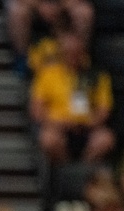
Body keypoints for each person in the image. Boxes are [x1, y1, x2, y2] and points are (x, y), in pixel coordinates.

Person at [29, 30, 114, 165]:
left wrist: (89, 123)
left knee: (106, 139)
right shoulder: (47, 74)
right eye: (69, 53)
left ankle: (82, 170)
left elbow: (104, 110)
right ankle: (65, 170)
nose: (73, 56)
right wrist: (57, 122)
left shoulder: (95, 76)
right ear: (61, 54)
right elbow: (37, 110)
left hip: (86, 127)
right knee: (48, 140)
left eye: (76, 53)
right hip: (58, 128)